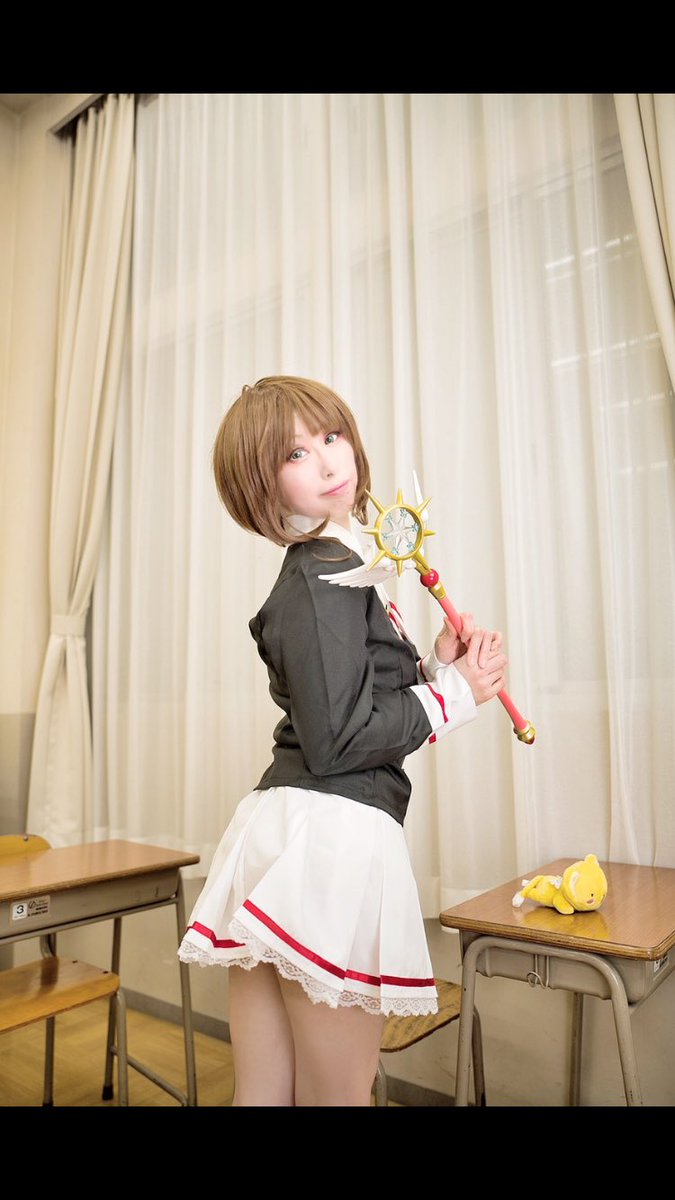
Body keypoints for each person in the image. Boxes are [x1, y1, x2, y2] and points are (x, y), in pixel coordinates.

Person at [178, 375, 507, 1106]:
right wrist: (455, 694)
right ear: (261, 485)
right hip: (328, 840)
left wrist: (435, 671)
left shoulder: (338, 568)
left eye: (331, 436)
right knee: (337, 1095)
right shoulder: (325, 572)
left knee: (264, 1095)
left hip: (291, 834)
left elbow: (347, 709)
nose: (330, 461)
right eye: (295, 453)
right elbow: (339, 742)